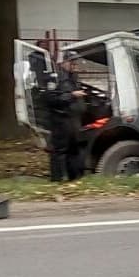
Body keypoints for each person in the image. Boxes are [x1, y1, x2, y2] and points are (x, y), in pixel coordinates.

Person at [47, 53, 87, 182]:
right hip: (60, 120)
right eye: (72, 62)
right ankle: (57, 179)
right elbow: (52, 99)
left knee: (74, 149)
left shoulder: (74, 78)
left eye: (76, 62)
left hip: (73, 120)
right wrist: (72, 95)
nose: (75, 65)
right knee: (59, 150)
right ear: (63, 63)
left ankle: (74, 178)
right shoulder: (56, 78)